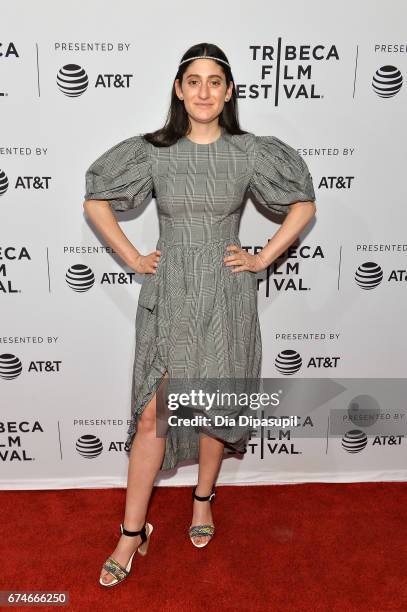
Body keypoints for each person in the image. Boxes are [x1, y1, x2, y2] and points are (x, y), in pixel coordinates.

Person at [83, 42, 316, 587]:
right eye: (194, 81)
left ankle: (203, 499)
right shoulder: (153, 151)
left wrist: (261, 256)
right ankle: (131, 531)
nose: (204, 91)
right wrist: (135, 258)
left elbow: (303, 202)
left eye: (215, 81)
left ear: (229, 91)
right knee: (152, 414)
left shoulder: (252, 151)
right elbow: (95, 198)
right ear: (178, 89)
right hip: (172, 291)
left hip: (227, 290)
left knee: (214, 404)